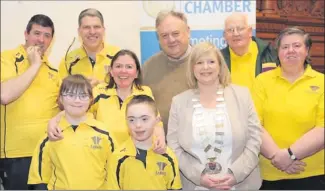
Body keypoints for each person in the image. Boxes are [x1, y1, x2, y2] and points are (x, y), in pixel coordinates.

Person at [167, 42, 262, 190]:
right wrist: (199, 177)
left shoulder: (242, 95)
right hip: (196, 185)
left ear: (220, 66)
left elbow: (255, 139)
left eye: (211, 61)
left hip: (240, 184)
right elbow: (173, 146)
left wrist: (235, 175)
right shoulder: (178, 102)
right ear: (192, 68)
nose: (206, 67)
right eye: (199, 62)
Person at [48, 50, 166, 152]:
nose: (123, 71)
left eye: (129, 67)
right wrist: (53, 121)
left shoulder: (145, 92)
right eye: (118, 66)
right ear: (111, 71)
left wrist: (160, 136)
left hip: (134, 157)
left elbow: (156, 121)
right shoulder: (99, 92)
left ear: (136, 73)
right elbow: (76, 108)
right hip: (104, 156)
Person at [252, 27, 324, 190]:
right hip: (271, 173)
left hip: (314, 174)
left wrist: (289, 155)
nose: (290, 50)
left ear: (307, 50)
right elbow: (254, 125)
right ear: (278, 52)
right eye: (285, 47)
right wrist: (277, 157)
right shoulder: (262, 81)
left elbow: (322, 128)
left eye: (297, 46)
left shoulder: (322, 82)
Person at [0, 14, 59, 190]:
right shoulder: (7, 58)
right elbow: (4, 95)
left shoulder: (53, 71)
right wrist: (34, 65)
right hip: (16, 156)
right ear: (26, 34)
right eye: (37, 33)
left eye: (47, 35)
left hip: (47, 153)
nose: (41, 40)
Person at [28, 74, 116, 190]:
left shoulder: (104, 133)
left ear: (91, 99)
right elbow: (39, 178)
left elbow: (115, 172)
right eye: (70, 95)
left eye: (83, 95)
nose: (77, 100)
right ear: (60, 99)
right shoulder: (51, 135)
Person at [108, 95, 182, 190]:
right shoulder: (118, 157)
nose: (138, 125)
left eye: (144, 119)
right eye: (132, 120)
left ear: (157, 120)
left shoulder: (168, 157)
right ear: (126, 122)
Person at [142, 10, 191, 132]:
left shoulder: (206, 63)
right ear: (158, 38)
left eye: (175, 33)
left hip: (199, 145)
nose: (171, 40)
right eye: (164, 36)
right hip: (160, 145)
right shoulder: (149, 67)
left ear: (188, 32)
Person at [58, 8, 120, 87]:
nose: (92, 32)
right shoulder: (67, 61)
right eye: (86, 27)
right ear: (79, 31)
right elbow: (62, 93)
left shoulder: (119, 56)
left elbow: (128, 89)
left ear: (103, 30)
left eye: (96, 27)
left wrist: (101, 86)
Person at [221, 12, 277, 91]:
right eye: (230, 30)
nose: (235, 34)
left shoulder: (270, 54)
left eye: (240, 29)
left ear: (250, 31)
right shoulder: (219, 59)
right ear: (224, 35)